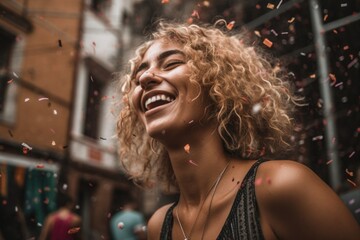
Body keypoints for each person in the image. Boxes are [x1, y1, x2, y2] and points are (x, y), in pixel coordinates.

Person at [116, 20, 360, 240]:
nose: (146, 77)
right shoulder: (160, 226)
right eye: (138, 77)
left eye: (171, 63)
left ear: (218, 86)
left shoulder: (279, 186)